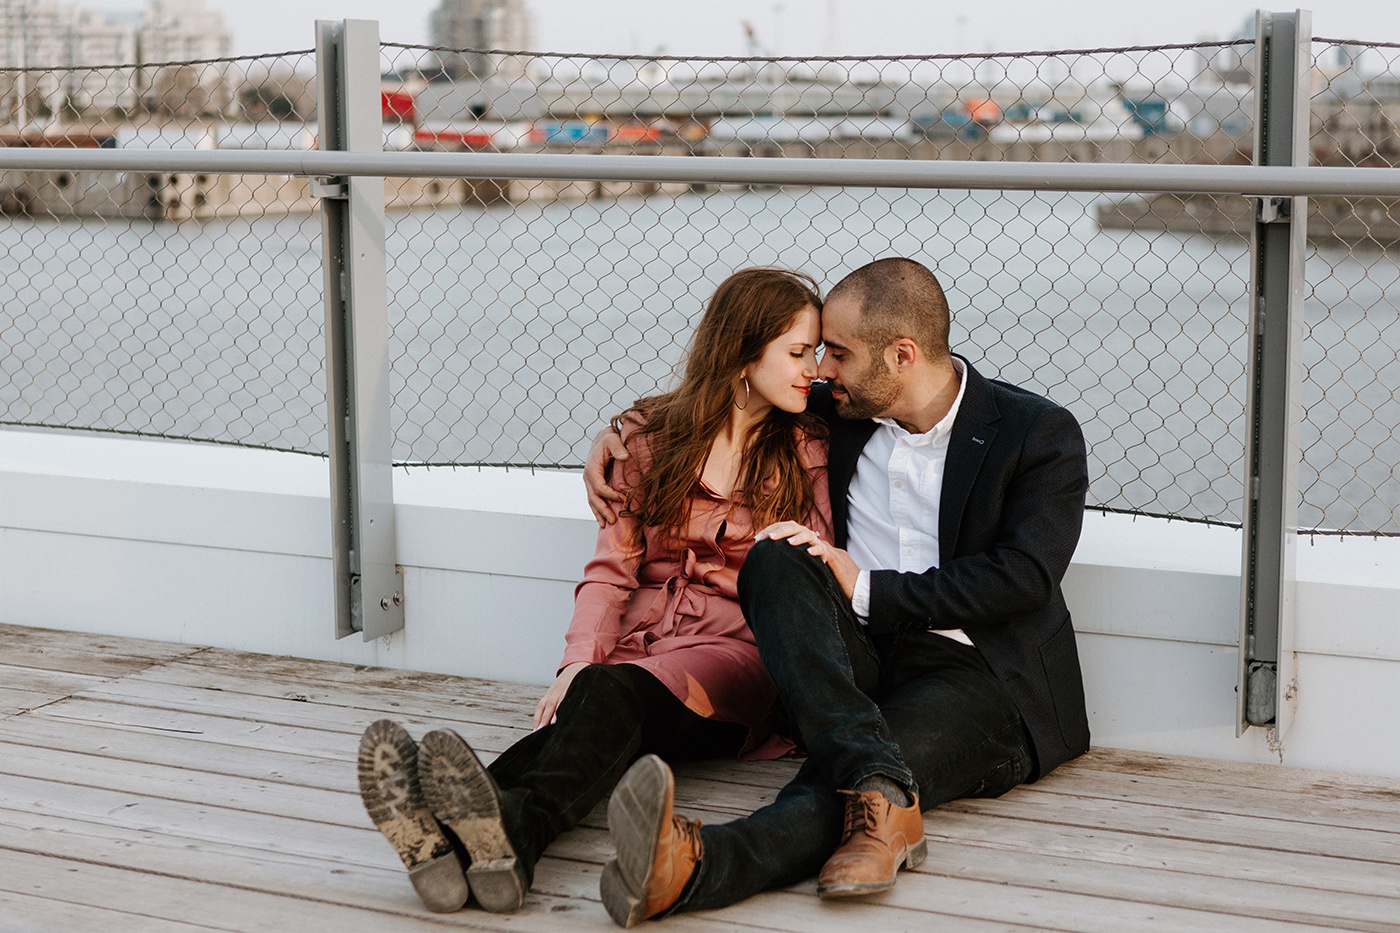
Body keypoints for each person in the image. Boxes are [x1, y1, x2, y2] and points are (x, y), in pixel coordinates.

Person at [583, 257, 1090, 926]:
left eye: (839, 353)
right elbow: (730, 394)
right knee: (775, 556)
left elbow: (1025, 577)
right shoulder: (841, 412)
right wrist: (623, 431)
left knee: (842, 776)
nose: (822, 371)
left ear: (901, 355)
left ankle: (694, 865)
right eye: (820, 353)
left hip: (978, 668)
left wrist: (871, 589)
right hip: (858, 657)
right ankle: (881, 787)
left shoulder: (1036, 434)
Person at [355, 267, 832, 915]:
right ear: (744, 353)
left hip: (736, 664)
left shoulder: (810, 451)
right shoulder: (648, 438)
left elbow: (812, 571)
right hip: (642, 653)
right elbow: (613, 566)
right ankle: (494, 836)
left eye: (817, 352)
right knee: (599, 693)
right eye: (798, 352)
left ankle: (455, 826)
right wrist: (578, 658)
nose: (814, 367)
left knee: (607, 692)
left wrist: (593, 673)